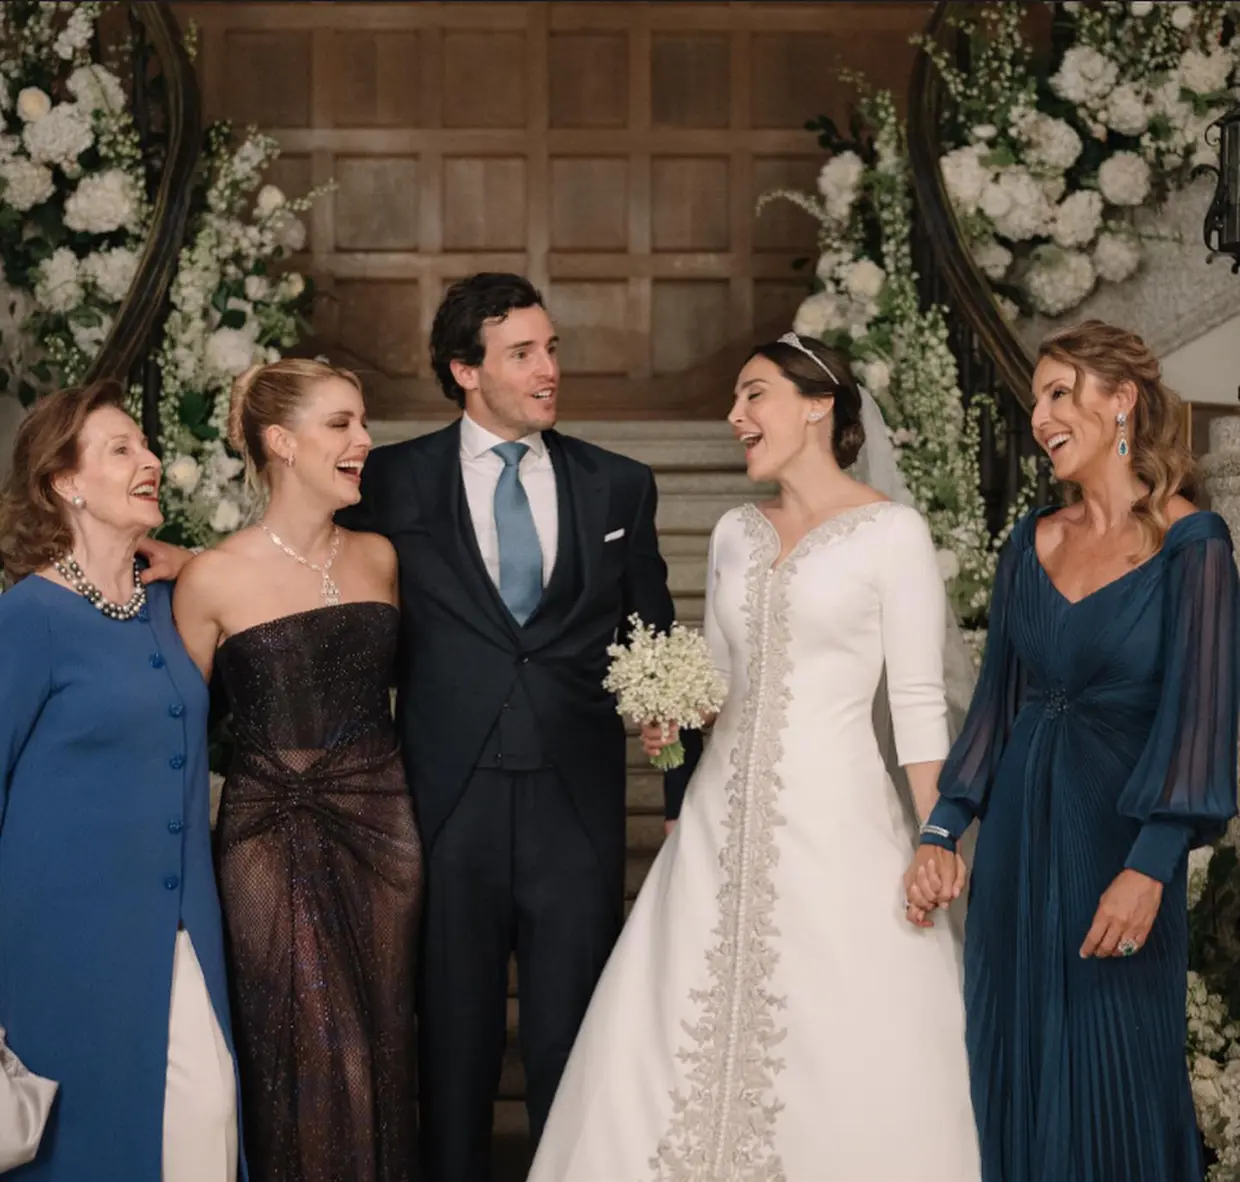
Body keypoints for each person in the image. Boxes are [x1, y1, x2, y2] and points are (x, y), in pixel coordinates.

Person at [529, 332, 980, 1181]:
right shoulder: (737, 531)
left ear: (819, 404)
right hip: (716, 821)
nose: (735, 416)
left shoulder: (893, 534)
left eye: (753, 395)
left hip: (836, 821)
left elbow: (919, 707)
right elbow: (723, 677)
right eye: (735, 400)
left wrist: (937, 834)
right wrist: (671, 717)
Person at [326, 271, 679, 1180]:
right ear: (464, 370)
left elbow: (658, 649)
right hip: (445, 808)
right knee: (451, 1053)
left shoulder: (619, 486)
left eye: (551, 348)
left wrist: (677, 783)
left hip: (577, 809)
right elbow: (311, 574)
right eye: (522, 353)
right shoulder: (392, 480)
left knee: (572, 1050)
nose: (548, 369)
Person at [907, 319, 1238, 1182]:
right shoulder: (1031, 543)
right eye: (1034, 401)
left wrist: (1151, 864)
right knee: (1010, 1061)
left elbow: (1202, 718)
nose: (1041, 416)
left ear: (1121, 400)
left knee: (1117, 1070)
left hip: (1119, 854)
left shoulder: (1191, 545)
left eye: (1060, 393)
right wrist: (943, 830)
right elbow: (994, 709)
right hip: (1018, 845)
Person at [172, 359, 422, 1182]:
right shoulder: (212, 576)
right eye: (341, 424)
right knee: (315, 1052)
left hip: (383, 836)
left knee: (383, 1042)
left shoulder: (380, 558)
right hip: (268, 842)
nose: (364, 440)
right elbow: (171, 730)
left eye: (362, 422)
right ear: (281, 441)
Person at [0, 381, 241, 1182]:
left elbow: (280, 601)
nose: (152, 461)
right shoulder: (28, 617)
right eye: (121, 449)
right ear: (64, 482)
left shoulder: (171, 602)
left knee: (206, 1126)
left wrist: (199, 562)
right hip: (58, 948)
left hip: (179, 931)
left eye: (147, 446)